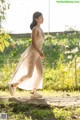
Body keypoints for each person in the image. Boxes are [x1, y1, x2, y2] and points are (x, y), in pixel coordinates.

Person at [9, 11, 45, 98]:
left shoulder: (41, 29)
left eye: (42, 17)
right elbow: (33, 43)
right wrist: (39, 52)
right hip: (33, 53)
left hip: (37, 54)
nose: (42, 18)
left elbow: (39, 43)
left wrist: (39, 52)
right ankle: (13, 85)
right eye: (40, 17)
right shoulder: (35, 29)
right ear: (36, 19)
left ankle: (33, 92)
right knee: (29, 74)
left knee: (40, 73)